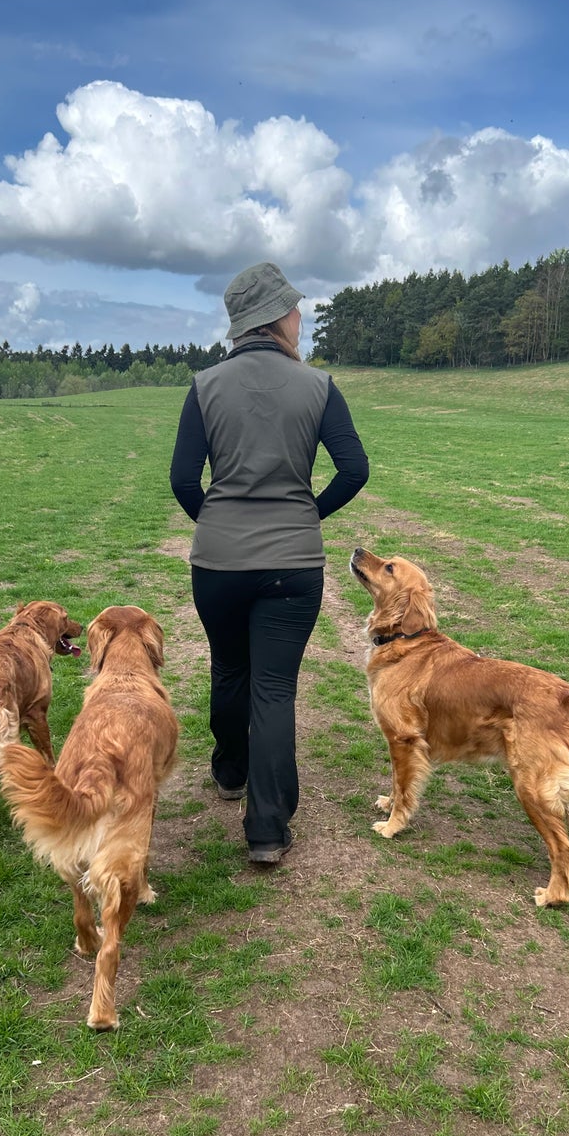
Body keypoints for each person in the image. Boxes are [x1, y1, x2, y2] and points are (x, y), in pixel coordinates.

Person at [170, 262, 369, 863]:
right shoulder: (319, 386)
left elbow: (183, 480)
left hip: (219, 563)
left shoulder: (204, 386)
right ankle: (267, 829)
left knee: (230, 669)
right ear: (276, 317)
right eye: (296, 309)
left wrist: (216, 521)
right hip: (293, 562)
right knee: (275, 688)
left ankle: (230, 772)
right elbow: (354, 470)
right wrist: (308, 513)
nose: (301, 318)